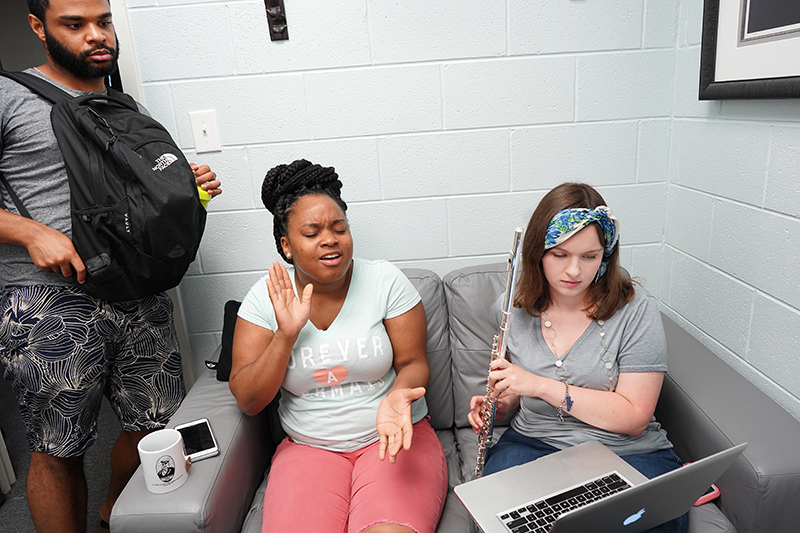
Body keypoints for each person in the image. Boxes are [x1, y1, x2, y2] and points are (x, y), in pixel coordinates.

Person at [0, 0, 221, 532]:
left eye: (103, 22)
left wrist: (183, 190)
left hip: (136, 292)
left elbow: (130, 202)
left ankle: (110, 508)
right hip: (48, 299)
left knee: (153, 427)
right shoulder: (7, 96)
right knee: (58, 450)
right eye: (74, 25)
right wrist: (30, 232)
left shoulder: (124, 108)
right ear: (39, 27)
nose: (96, 36)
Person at [229, 160, 447, 533]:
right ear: (287, 245)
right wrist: (285, 334)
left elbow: (414, 362)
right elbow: (249, 399)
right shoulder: (265, 299)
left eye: (339, 228)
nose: (330, 239)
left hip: (392, 437)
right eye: (312, 232)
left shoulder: (384, 280)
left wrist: (398, 396)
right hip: (308, 449)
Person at [468, 183, 687, 533]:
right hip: (534, 442)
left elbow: (634, 417)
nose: (574, 271)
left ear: (606, 254)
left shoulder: (637, 311)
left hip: (626, 449)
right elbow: (514, 389)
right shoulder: (512, 308)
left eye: (589, 256)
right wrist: (500, 404)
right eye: (560, 255)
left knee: (651, 524)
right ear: (538, 253)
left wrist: (542, 386)